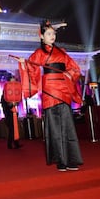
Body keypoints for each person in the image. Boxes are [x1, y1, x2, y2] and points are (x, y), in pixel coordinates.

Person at [19, 20, 83, 171]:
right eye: (49, 33)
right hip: (50, 90)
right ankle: (61, 160)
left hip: (63, 87)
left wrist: (68, 73)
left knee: (67, 124)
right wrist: (24, 64)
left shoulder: (62, 52)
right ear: (41, 36)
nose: (52, 36)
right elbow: (32, 68)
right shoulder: (39, 53)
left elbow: (75, 68)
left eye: (53, 33)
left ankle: (71, 158)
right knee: (54, 126)